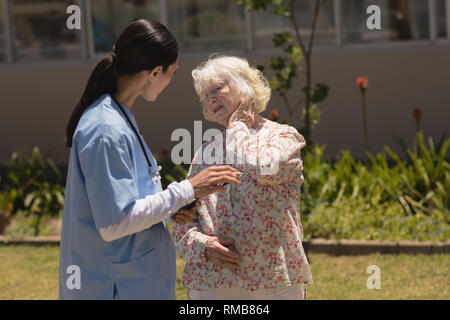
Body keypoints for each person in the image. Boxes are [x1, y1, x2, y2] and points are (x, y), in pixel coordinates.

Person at [59, 20, 240, 300]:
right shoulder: (105, 128)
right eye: (173, 73)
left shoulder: (120, 116)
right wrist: (187, 189)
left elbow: (131, 200)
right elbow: (114, 224)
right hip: (113, 287)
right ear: (155, 72)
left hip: (135, 283)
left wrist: (173, 207)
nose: (170, 81)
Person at [172, 55, 313, 300]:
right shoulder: (206, 151)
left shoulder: (283, 137)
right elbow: (182, 218)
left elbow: (263, 167)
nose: (210, 98)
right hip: (213, 281)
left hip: (272, 281)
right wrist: (204, 246)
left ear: (245, 86)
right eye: (206, 95)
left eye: (217, 88)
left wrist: (237, 128)